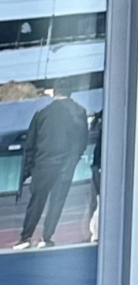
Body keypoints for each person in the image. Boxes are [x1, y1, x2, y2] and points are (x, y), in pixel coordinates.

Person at [14, 89, 91, 249]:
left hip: (43, 164)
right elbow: (82, 140)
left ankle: (26, 237)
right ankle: (46, 236)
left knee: (36, 201)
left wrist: (30, 167)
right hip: (65, 165)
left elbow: (31, 143)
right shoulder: (79, 111)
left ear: (55, 93)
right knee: (57, 201)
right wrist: (73, 160)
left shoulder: (42, 113)